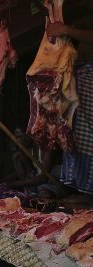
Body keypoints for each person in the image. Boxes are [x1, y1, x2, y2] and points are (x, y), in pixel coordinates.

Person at [46, 0, 93, 194]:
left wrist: (66, 30)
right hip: (81, 77)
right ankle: (83, 191)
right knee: (76, 134)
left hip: (89, 79)